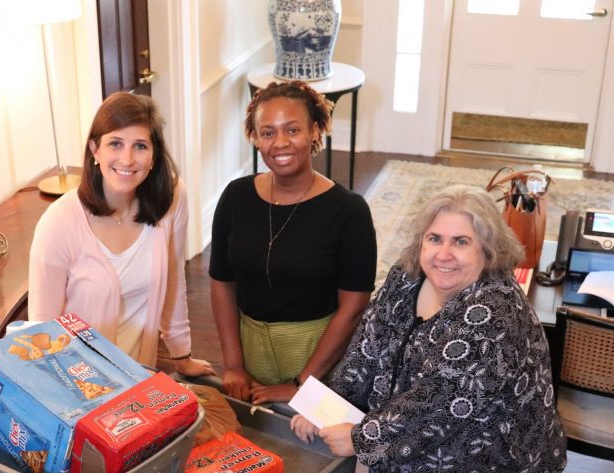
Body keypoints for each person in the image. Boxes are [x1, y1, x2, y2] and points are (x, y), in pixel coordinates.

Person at [291, 184, 567, 472]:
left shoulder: (495, 311)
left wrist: (362, 440)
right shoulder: (407, 276)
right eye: (434, 238)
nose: (443, 254)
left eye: (461, 242)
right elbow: (366, 348)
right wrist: (326, 408)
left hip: (487, 457)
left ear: (488, 250)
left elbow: (440, 405)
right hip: (400, 438)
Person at [210, 80, 377, 404]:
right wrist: (233, 365)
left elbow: (353, 309)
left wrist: (303, 384)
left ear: (315, 131)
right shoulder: (235, 197)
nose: (280, 143)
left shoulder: (349, 211)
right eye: (268, 132)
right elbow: (221, 282)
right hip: (250, 360)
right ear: (255, 138)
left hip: (321, 363)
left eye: (292, 129)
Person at [29, 92, 214, 377]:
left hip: (140, 378)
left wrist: (181, 354)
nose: (127, 159)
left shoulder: (173, 198)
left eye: (140, 146)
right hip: (78, 385)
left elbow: (175, 278)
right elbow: (41, 333)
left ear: (154, 156)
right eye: (115, 143)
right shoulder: (58, 223)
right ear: (95, 150)